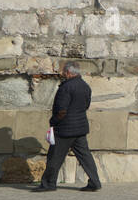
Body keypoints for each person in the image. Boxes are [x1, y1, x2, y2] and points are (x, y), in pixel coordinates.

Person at [34, 62, 101, 192]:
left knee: (55, 157)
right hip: (80, 128)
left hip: (65, 129)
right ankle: (95, 181)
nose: (63, 74)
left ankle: (48, 184)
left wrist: (53, 121)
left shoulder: (66, 87)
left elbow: (61, 110)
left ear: (69, 73)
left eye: (64, 72)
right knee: (85, 157)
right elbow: (86, 105)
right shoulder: (85, 86)